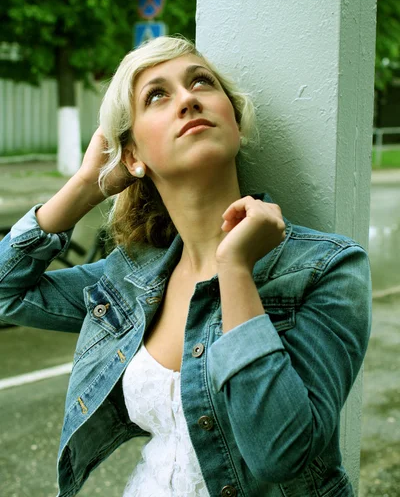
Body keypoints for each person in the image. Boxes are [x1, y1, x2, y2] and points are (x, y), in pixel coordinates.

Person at [0, 35, 371, 497]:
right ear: (133, 157)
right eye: (157, 94)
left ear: (235, 122)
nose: (188, 98)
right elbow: (6, 293)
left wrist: (234, 268)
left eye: (201, 82)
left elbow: (281, 453)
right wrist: (85, 186)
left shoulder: (326, 267)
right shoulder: (130, 280)